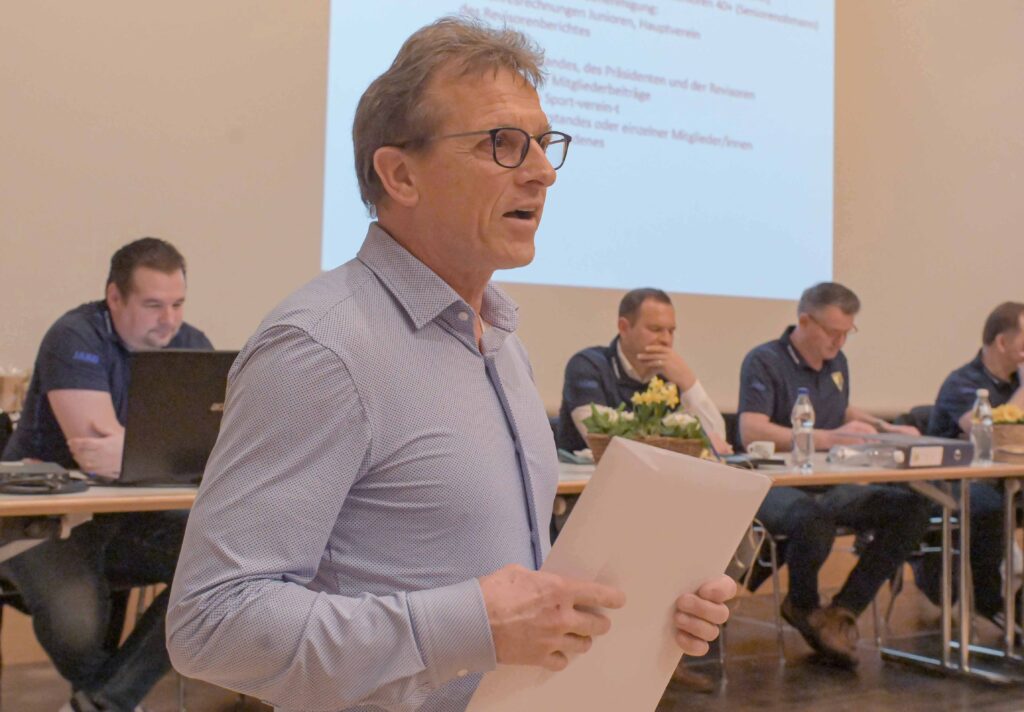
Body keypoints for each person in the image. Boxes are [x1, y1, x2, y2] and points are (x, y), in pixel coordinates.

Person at [166, 18, 735, 711]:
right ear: (400, 174)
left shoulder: (503, 344)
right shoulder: (320, 348)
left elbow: (516, 594)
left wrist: (646, 607)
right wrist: (469, 627)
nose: (543, 171)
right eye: (503, 143)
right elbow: (211, 624)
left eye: (544, 143)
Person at [1, 237, 211, 712]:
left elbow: (210, 452)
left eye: (178, 303)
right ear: (115, 297)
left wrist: (133, 449)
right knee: (77, 627)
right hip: (40, 520)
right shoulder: (75, 336)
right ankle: (114, 700)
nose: (170, 319)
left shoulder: (191, 346)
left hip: (130, 517)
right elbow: (96, 454)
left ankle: (103, 703)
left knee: (218, 569)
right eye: (153, 305)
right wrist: (168, 455)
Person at [737, 282, 930, 667]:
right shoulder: (764, 360)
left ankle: (842, 611)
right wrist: (830, 438)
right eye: (832, 331)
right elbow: (752, 430)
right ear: (805, 321)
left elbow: (840, 409)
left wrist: (886, 428)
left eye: (847, 332)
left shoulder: (836, 363)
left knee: (913, 507)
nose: (839, 342)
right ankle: (803, 605)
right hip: (775, 484)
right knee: (814, 518)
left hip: (826, 482)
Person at [919, 301, 1024, 628]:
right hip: (953, 482)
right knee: (988, 504)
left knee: (1000, 499)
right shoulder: (963, 382)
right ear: (1002, 342)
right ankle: (990, 602)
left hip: (1008, 479)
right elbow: (988, 435)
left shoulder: (1015, 383)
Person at [556, 287, 732, 456]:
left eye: (671, 331)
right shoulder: (588, 365)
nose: (666, 340)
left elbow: (718, 443)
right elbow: (599, 436)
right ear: (624, 327)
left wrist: (688, 382)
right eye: (656, 330)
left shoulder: (672, 375)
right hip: (584, 475)